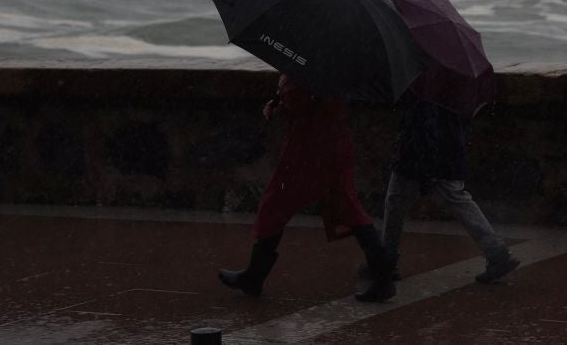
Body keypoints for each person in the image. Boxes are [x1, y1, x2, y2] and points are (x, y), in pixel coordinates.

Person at [219, 74, 396, 302]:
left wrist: (281, 96)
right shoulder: (335, 64)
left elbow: (298, 99)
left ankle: (254, 276)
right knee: (350, 209)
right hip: (334, 143)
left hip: (308, 150)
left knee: (275, 206)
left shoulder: (310, 65)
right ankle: (383, 276)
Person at [366, 86, 519, 284]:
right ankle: (497, 253)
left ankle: (386, 260)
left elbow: (424, 123)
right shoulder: (456, 80)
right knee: (458, 199)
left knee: (396, 202)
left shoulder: (423, 82)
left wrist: (424, 162)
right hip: (450, 150)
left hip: (418, 155)